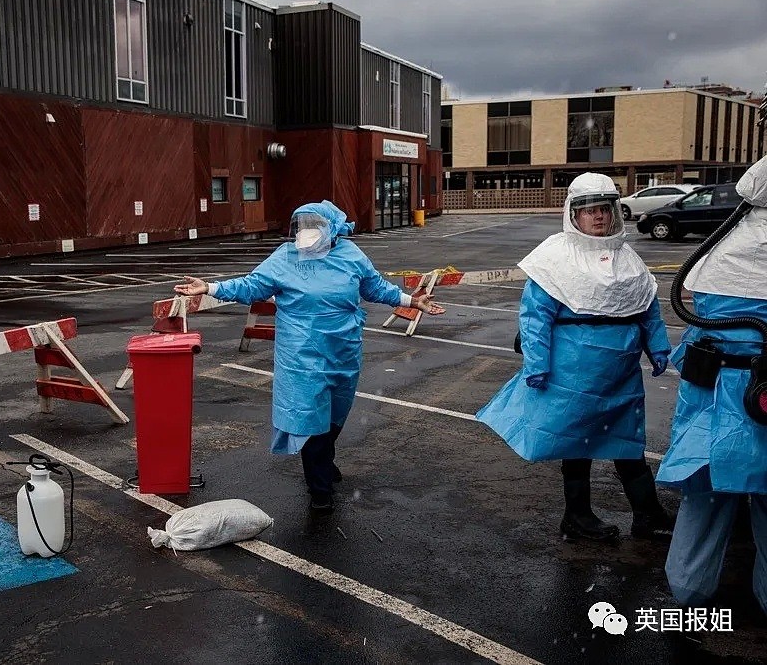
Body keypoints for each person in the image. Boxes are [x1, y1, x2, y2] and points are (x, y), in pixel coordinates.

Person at [174, 200, 439, 513]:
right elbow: (252, 286)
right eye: (301, 227)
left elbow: (376, 288)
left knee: (336, 415)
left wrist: (413, 301)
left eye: (313, 226)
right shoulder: (285, 258)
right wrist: (211, 287)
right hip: (301, 355)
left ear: (331, 228)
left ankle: (324, 460)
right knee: (310, 418)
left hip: (344, 350)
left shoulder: (351, 256)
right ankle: (320, 489)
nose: (306, 233)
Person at [477, 173, 675, 541]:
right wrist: (536, 364)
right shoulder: (554, 258)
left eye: (605, 208)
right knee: (577, 444)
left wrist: (658, 346)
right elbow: (535, 318)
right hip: (573, 374)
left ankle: (648, 515)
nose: (598, 216)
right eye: (589, 210)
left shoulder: (626, 258)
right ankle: (577, 517)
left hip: (622, 375)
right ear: (574, 214)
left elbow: (647, 307)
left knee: (628, 443)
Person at [658, 155, 767, 613]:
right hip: (756, 394)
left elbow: (697, 327)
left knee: (704, 497)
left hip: (712, 393)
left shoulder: (725, 248)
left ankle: (688, 593)